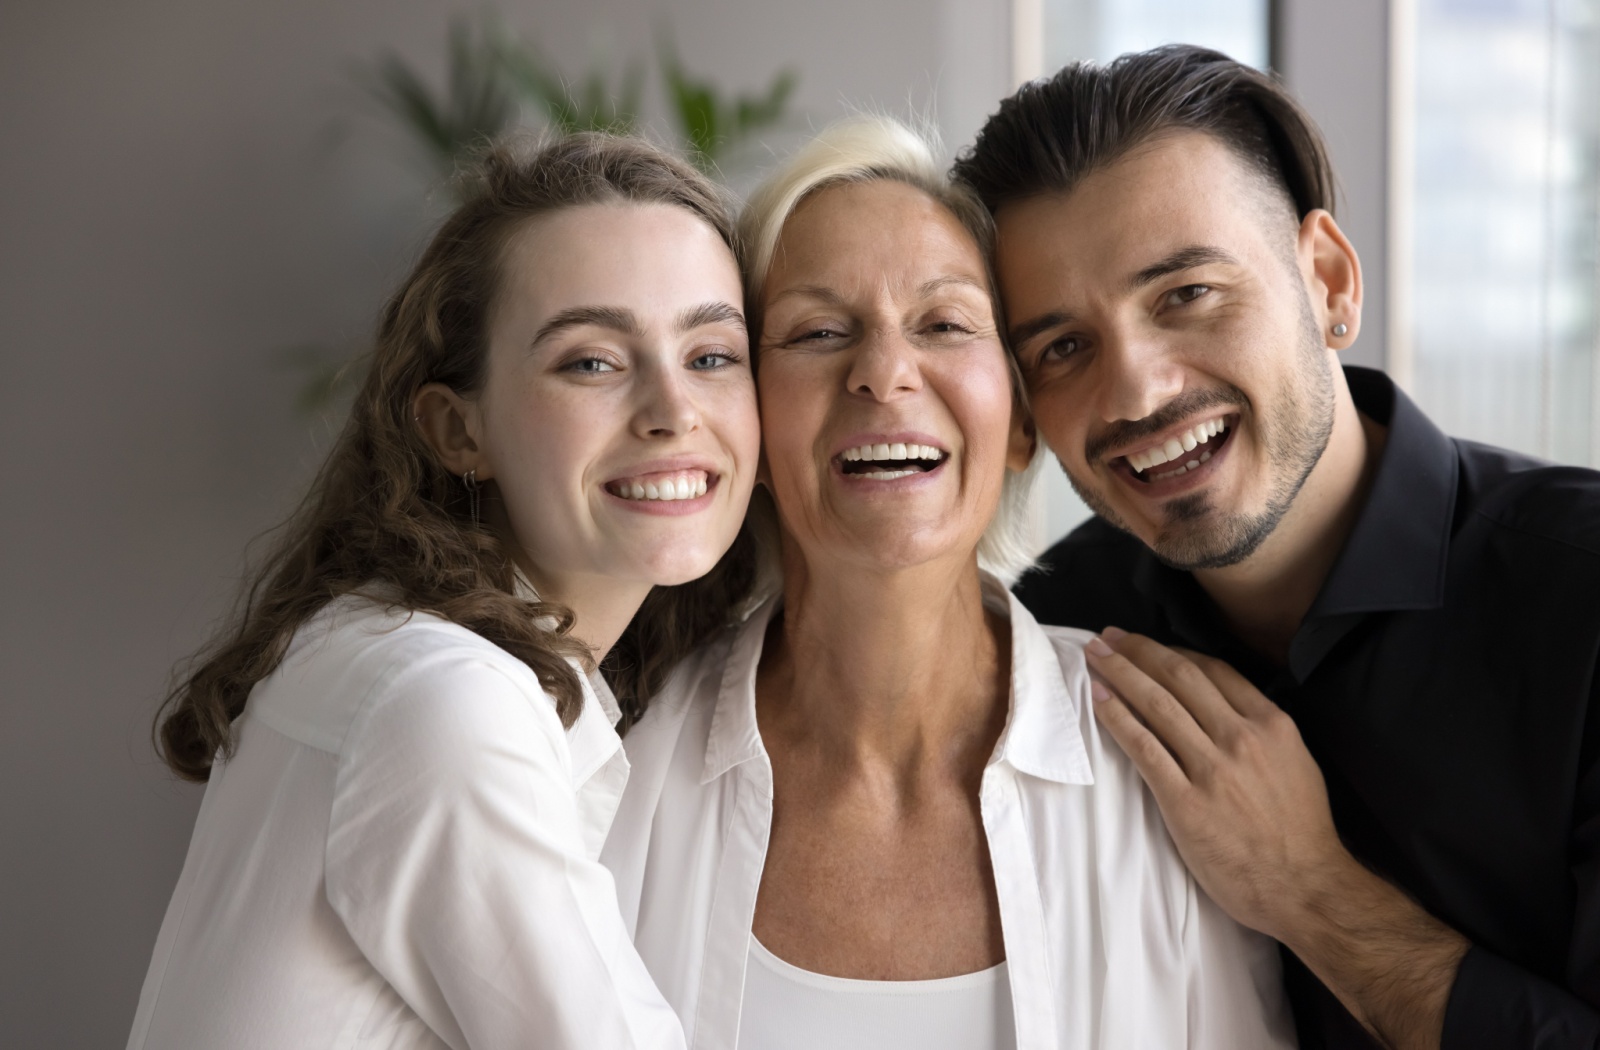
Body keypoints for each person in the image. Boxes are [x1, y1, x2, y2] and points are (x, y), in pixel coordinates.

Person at [952, 44, 1600, 1050]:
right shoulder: (1047, 639)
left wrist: (1310, 890)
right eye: (1063, 347)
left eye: (1186, 294)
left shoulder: (1582, 596)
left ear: (1328, 281)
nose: (1135, 392)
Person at [600, 116, 1295, 1050]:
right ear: (747, 418)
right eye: (818, 331)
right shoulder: (613, 764)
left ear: (1020, 424)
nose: (885, 373)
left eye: (944, 324)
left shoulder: (1173, 776)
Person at [126, 133, 762, 1050]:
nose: (673, 410)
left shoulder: (380, 644)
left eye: (712, 355)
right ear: (459, 430)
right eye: (591, 361)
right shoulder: (445, 702)